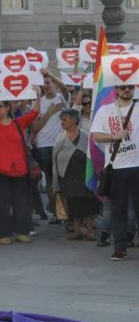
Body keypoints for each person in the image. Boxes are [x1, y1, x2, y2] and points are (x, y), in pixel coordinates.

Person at [0, 87, 41, 245]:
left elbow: (34, 112)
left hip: (20, 170)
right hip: (0, 170)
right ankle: (3, 233)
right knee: (1, 203)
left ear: (7, 109)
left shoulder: (18, 123)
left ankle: (22, 231)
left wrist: (37, 95)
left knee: (21, 203)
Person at [91, 82, 139, 261]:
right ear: (116, 90)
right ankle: (120, 248)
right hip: (116, 169)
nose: (127, 90)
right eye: (123, 87)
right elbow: (96, 135)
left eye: (130, 87)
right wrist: (113, 136)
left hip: (137, 167)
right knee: (119, 210)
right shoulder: (105, 111)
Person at [28, 74, 70, 222]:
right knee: (51, 180)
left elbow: (64, 88)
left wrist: (49, 73)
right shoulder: (38, 102)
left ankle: (64, 211)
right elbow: (35, 127)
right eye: (43, 83)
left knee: (63, 180)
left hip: (61, 145)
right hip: (43, 146)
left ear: (54, 83)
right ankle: (57, 213)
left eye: (48, 82)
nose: (46, 86)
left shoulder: (62, 98)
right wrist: (50, 111)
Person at [53, 108, 98, 241]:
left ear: (74, 120)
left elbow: (94, 154)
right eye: (61, 120)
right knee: (73, 202)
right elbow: (54, 158)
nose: (62, 123)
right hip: (68, 174)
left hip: (85, 173)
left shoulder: (86, 136)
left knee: (89, 201)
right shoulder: (60, 139)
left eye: (64, 119)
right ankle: (77, 230)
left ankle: (90, 230)